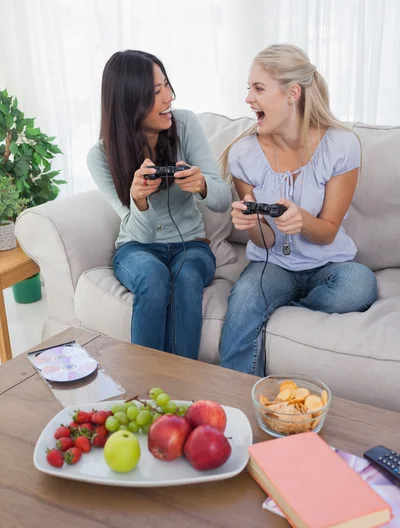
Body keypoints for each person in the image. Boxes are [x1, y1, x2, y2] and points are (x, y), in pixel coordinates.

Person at [219, 44, 377, 376]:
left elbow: (329, 230)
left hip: (328, 263)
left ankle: (288, 303)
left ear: (292, 93)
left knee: (359, 286)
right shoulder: (243, 154)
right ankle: (234, 403)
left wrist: (302, 221)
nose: (248, 98)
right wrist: (252, 222)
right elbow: (264, 242)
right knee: (244, 301)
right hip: (271, 264)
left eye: (258, 88)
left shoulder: (340, 146)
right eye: (248, 88)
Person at [87, 50, 231, 359]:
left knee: (186, 274)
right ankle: (146, 389)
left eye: (166, 85)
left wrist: (202, 185)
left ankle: (181, 385)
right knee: (153, 276)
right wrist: (138, 200)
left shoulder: (186, 124)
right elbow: (144, 235)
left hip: (191, 246)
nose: (169, 97)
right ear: (130, 102)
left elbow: (223, 200)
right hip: (136, 248)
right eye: (156, 92)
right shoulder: (100, 156)